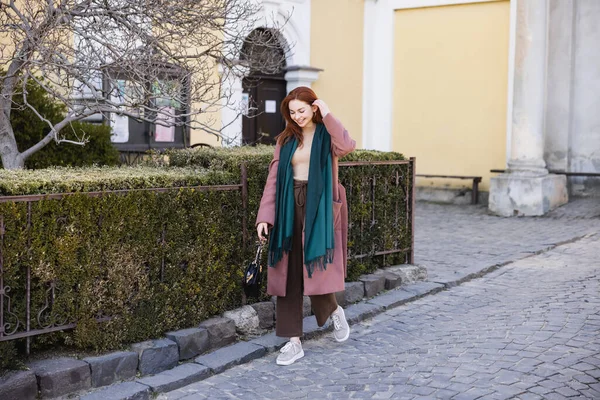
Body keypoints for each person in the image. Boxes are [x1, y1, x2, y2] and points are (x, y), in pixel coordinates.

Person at [256, 86, 356, 366]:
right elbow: (274, 178)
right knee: (288, 273)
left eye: (302, 110)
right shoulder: (286, 140)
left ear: (314, 108)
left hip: (319, 205)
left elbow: (347, 146)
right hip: (289, 205)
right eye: (292, 112)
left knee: (315, 266)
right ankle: (293, 341)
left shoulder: (327, 134)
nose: (297, 116)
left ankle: (334, 311)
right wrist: (265, 216)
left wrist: (328, 114)